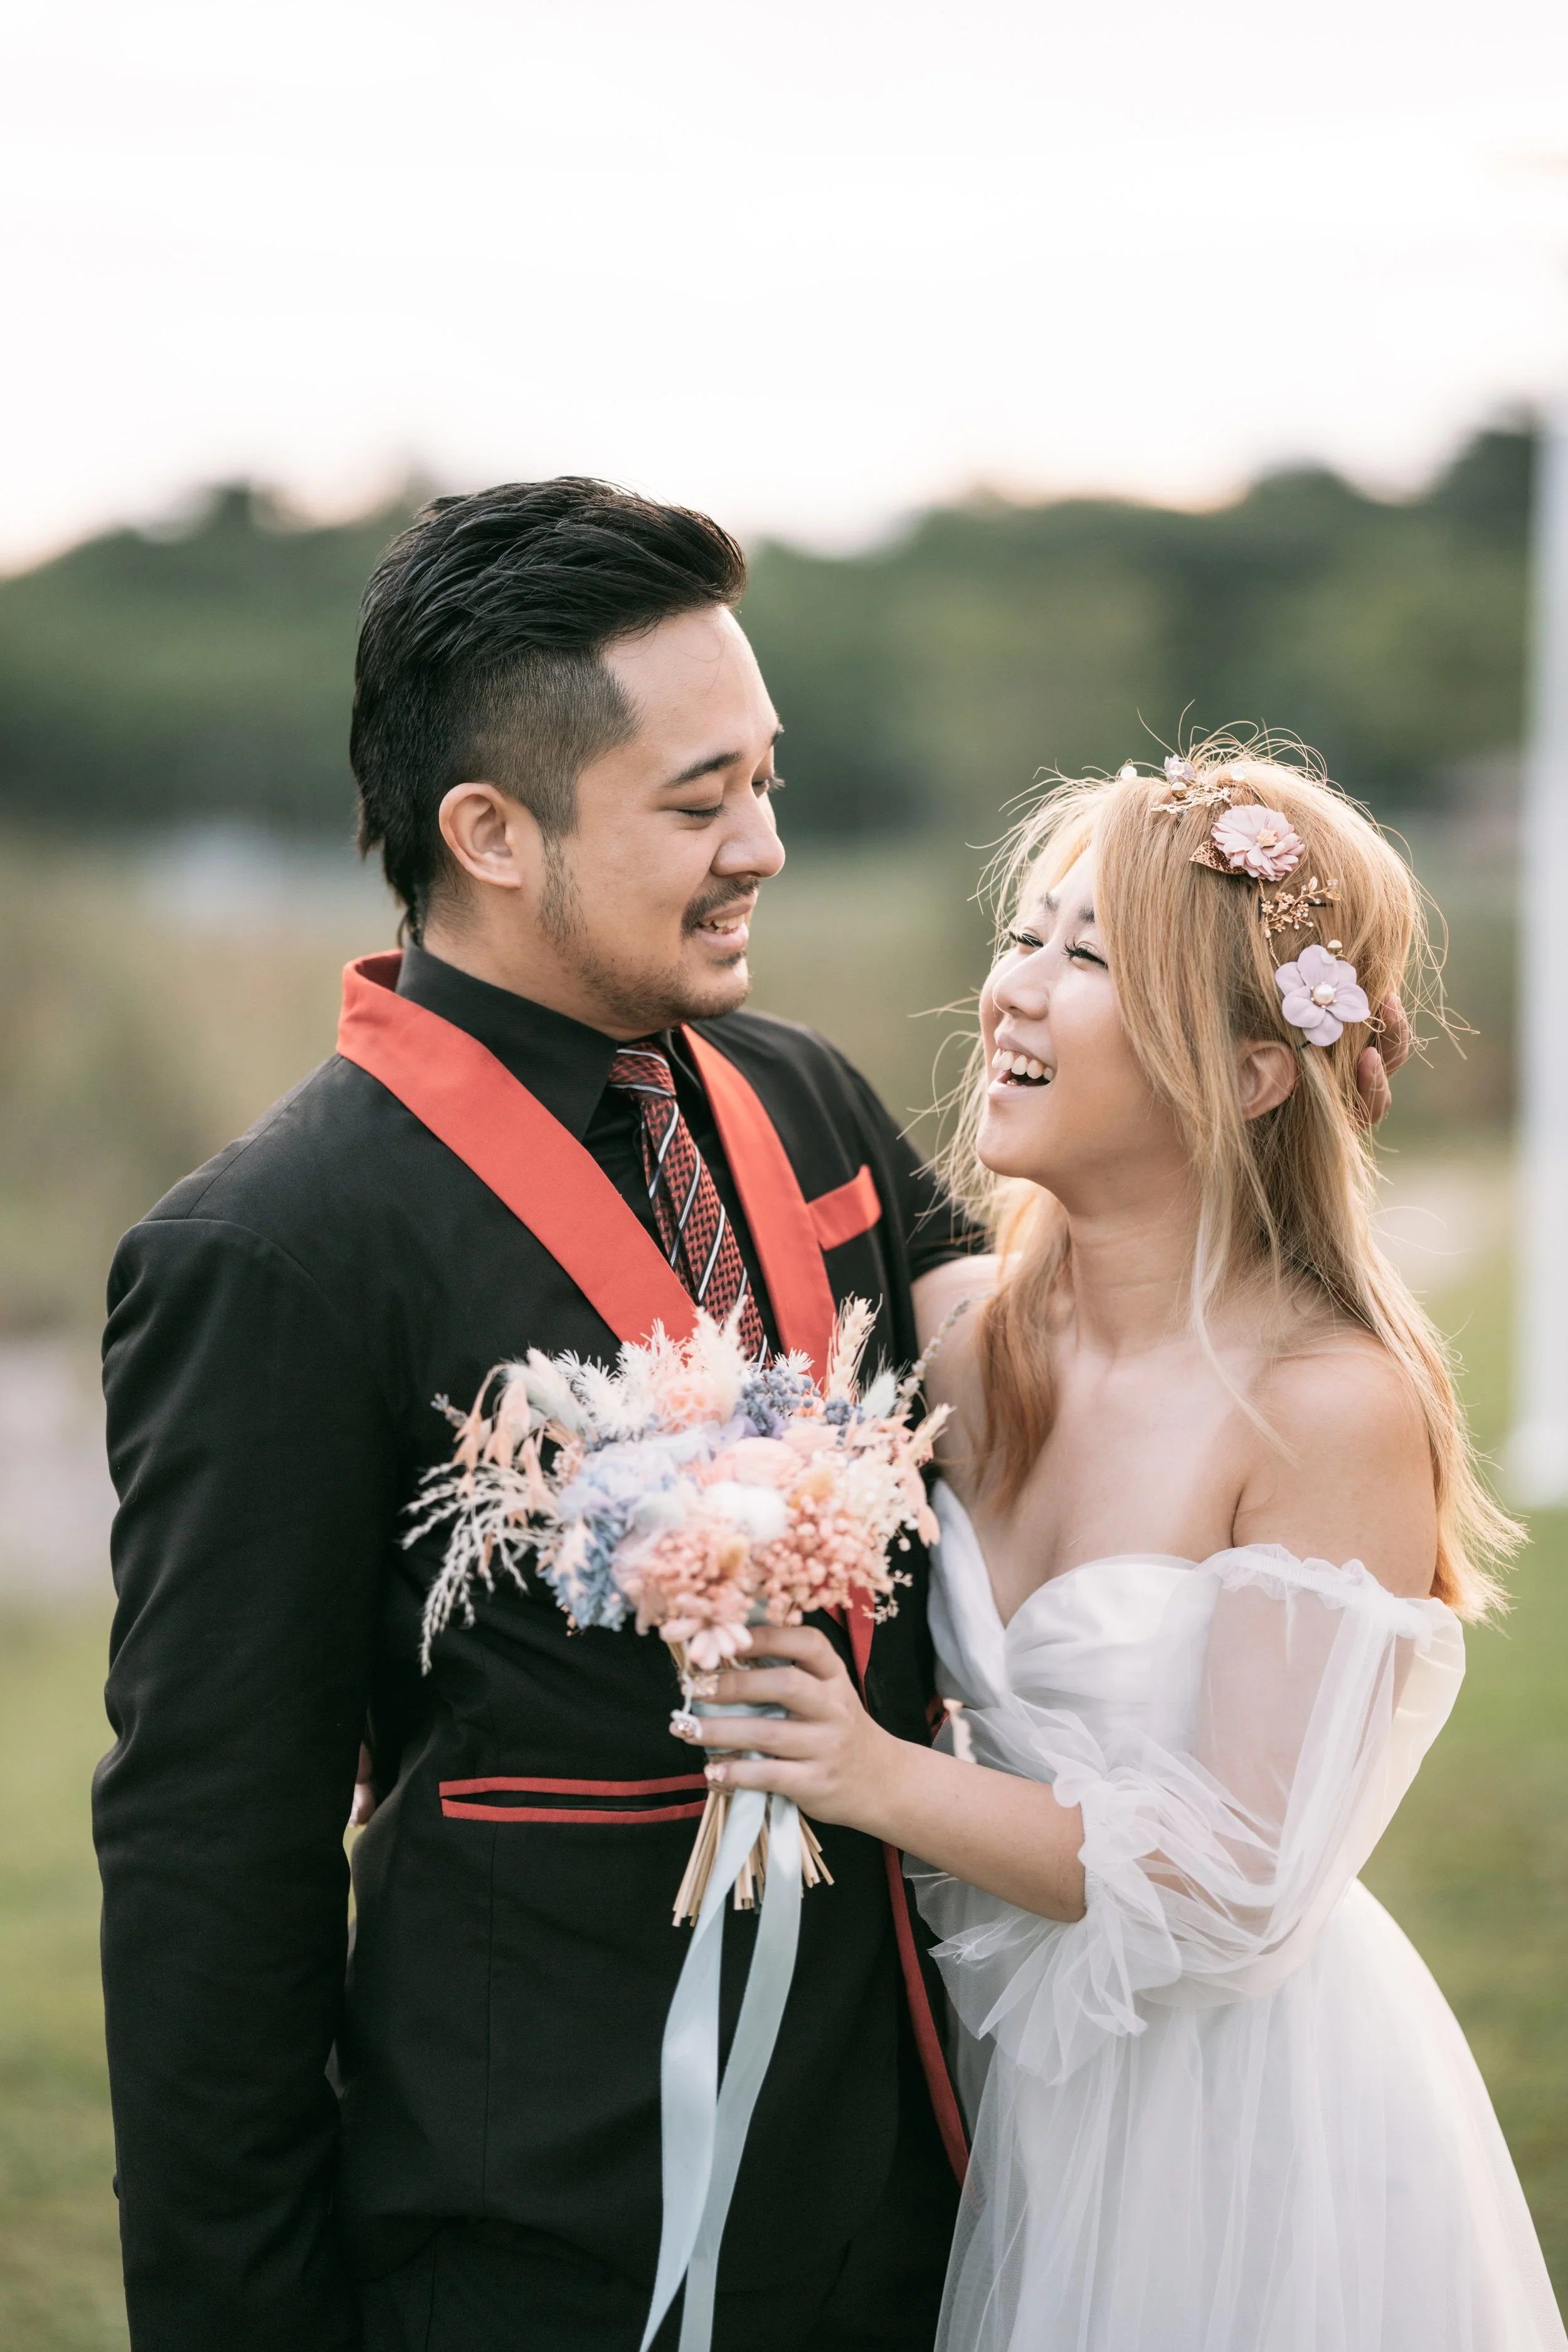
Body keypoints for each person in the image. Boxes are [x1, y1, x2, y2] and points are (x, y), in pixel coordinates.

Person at [93, 483, 1403, 2352]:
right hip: (539, 2217)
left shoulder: (797, 1099)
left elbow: (1065, 1332)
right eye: (698, 802)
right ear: (489, 831)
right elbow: (211, 1862)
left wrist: (1264, 1138)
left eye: (767, 781)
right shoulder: (277, 1247)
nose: (765, 846)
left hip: (924, 2172)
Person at [687, 748, 1566, 2350]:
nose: (1012, 993)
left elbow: (1237, 1884)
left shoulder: (1323, 1402)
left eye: (1085, 959)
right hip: (979, 2081)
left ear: (1246, 1072)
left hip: (1234, 2134)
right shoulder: (954, 1351)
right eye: (1023, 934)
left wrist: (873, 1774)